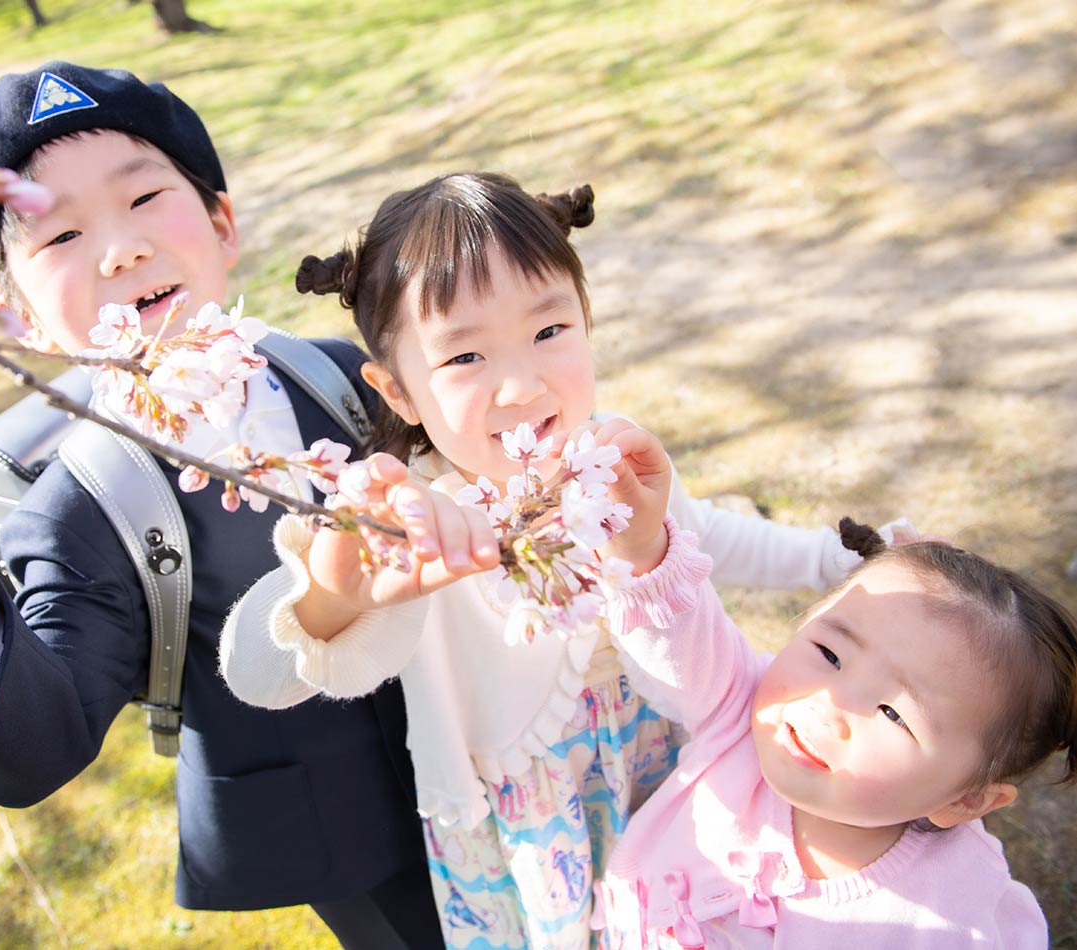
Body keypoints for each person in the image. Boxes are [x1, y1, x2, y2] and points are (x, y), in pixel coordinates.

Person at [0, 62, 442, 949]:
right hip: (348, 836)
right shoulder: (84, 507)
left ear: (221, 223)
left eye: (143, 198)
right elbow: (37, 746)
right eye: (59, 236)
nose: (119, 249)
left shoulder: (332, 373)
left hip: (487, 736)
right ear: (19, 319)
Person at [218, 172, 892, 950]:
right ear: (397, 391)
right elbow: (255, 675)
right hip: (537, 830)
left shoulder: (610, 455)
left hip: (672, 764)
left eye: (549, 331)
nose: (520, 384)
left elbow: (703, 534)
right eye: (464, 355)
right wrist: (330, 597)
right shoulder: (412, 521)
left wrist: (837, 558)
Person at [592, 428, 1067, 948]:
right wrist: (642, 547)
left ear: (968, 799)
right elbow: (680, 629)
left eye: (892, 713)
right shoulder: (741, 711)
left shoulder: (954, 916)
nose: (829, 705)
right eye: (830, 654)